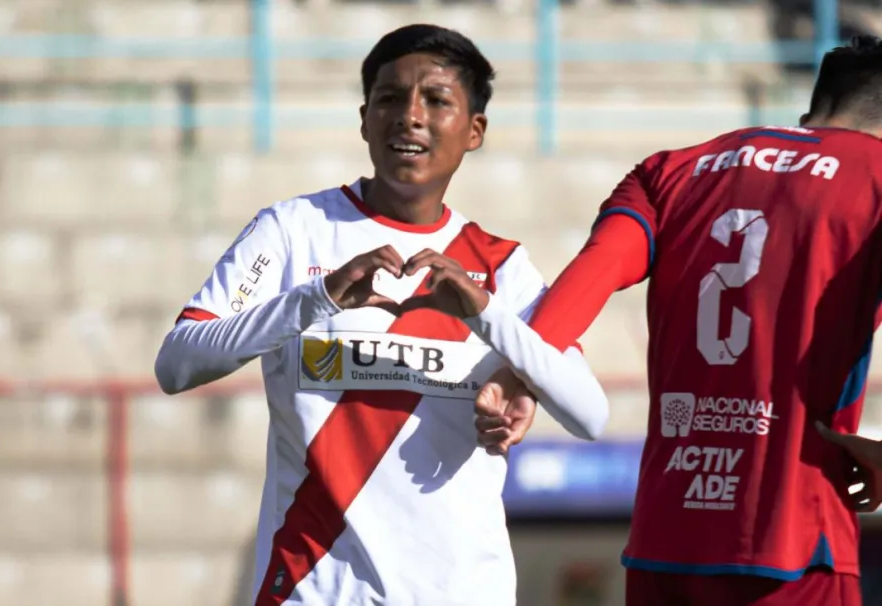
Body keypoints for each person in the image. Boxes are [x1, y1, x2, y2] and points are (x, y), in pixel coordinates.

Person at [154, 24, 609, 606]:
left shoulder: (502, 267)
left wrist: (485, 314)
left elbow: (589, 414)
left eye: (436, 100)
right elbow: (178, 362)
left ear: (474, 131)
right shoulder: (292, 230)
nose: (410, 117)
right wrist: (316, 299)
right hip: (314, 589)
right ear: (365, 119)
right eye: (391, 98)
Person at [477, 35, 882, 606]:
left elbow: (597, 268)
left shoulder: (669, 169)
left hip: (665, 543)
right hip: (794, 540)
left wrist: (522, 375)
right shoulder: (874, 175)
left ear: (813, 107)